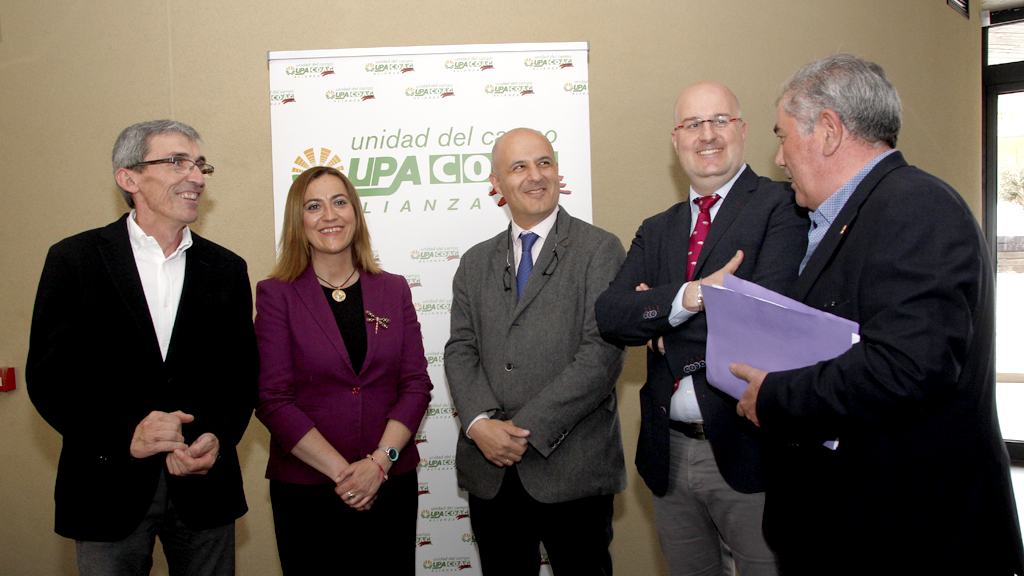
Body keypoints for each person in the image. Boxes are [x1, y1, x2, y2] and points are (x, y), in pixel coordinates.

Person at [727, 54, 1024, 575]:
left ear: (827, 131)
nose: (777, 159)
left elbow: (909, 368)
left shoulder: (915, 207)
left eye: (782, 136)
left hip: (911, 541)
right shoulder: (851, 214)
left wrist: (775, 394)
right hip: (856, 532)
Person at [26, 120, 258, 576]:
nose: (196, 176)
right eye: (177, 162)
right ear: (128, 178)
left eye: (199, 164)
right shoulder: (73, 260)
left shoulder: (227, 268)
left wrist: (215, 435)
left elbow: (240, 376)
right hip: (104, 487)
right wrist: (125, 433)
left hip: (204, 490)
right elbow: (50, 379)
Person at [595, 82, 807, 576]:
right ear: (676, 140)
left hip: (750, 449)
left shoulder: (783, 207)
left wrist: (663, 315)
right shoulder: (658, 227)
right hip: (668, 452)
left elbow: (767, 318)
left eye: (720, 121)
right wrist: (692, 297)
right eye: (693, 124)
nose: (706, 135)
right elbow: (611, 315)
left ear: (742, 130)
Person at [444, 128, 627, 575]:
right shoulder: (474, 262)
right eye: (519, 167)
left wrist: (517, 431)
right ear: (496, 184)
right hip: (492, 476)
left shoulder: (600, 249)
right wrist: (481, 424)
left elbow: (600, 357)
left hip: (573, 472)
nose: (535, 176)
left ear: (558, 171)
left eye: (544, 163)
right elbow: (460, 351)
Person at [254, 165, 431, 574]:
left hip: (389, 483)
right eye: (314, 206)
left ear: (355, 212)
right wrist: (346, 475)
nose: (329, 216)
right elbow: (272, 399)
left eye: (339, 202)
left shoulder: (393, 288)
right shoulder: (277, 295)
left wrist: (379, 464)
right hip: (307, 490)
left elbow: (416, 385)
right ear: (298, 221)